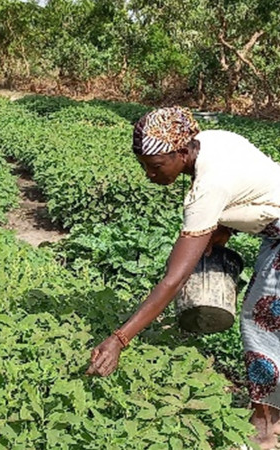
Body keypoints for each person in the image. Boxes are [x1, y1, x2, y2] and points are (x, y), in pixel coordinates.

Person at [86, 107, 280, 449]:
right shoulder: (210, 141)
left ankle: (265, 427)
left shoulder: (209, 186)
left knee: (259, 322)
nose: (149, 174)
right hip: (274, 233)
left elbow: (174, 279)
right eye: (144, 166)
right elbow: (252, 185)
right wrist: (222, 228)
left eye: (156, 166)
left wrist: (119, 339)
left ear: (181, 152)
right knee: (262, 318)